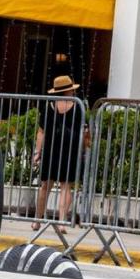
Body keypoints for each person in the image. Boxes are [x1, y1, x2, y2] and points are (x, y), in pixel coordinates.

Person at [32, 75, 88, 234]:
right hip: (70, 150)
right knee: (65, 186)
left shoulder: (49, 106)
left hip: (51, 148)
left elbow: (41, 132)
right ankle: (62, 222)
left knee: (45, 185)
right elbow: (84, 132)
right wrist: (84, 149)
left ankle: (37, 220)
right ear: (68, 90)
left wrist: (37, 151)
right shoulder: (78, 107)